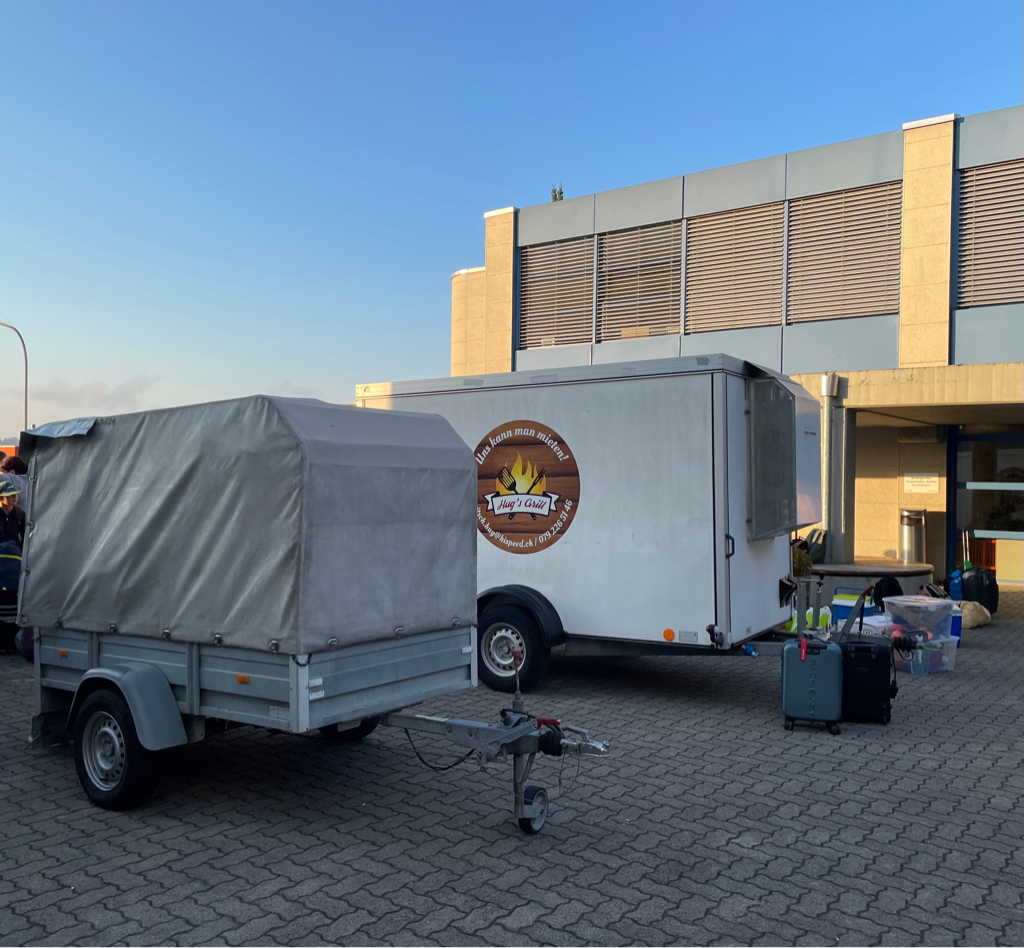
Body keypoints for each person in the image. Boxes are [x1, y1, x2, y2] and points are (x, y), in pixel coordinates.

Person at [0, 481, 25, 548]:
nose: (15, 497)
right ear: (1, 498)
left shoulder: (20, 514)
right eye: (11, 495)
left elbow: (25, 537)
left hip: (13, 553)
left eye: (16, 494)